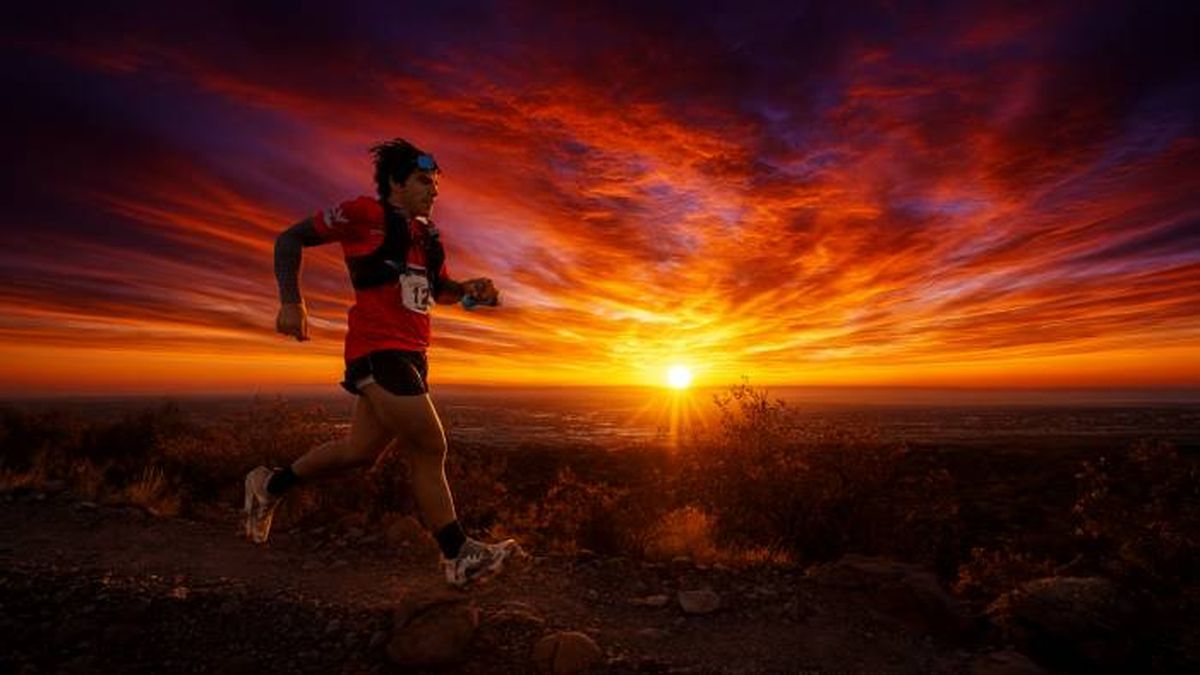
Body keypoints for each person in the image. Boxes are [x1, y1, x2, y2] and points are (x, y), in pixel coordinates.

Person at [244, 138, 519, 588]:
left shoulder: (427, 237)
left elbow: (439, 291)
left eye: (435, 184)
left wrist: (472, 291)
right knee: (430, 446)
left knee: (358, 453)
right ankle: (458, 556)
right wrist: (291, 303)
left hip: (413, 353)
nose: (433, 192)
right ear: (395, 182)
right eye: (423, 181)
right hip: (377, 350)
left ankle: (268, 484)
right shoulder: (363, 214)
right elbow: (289, 239)